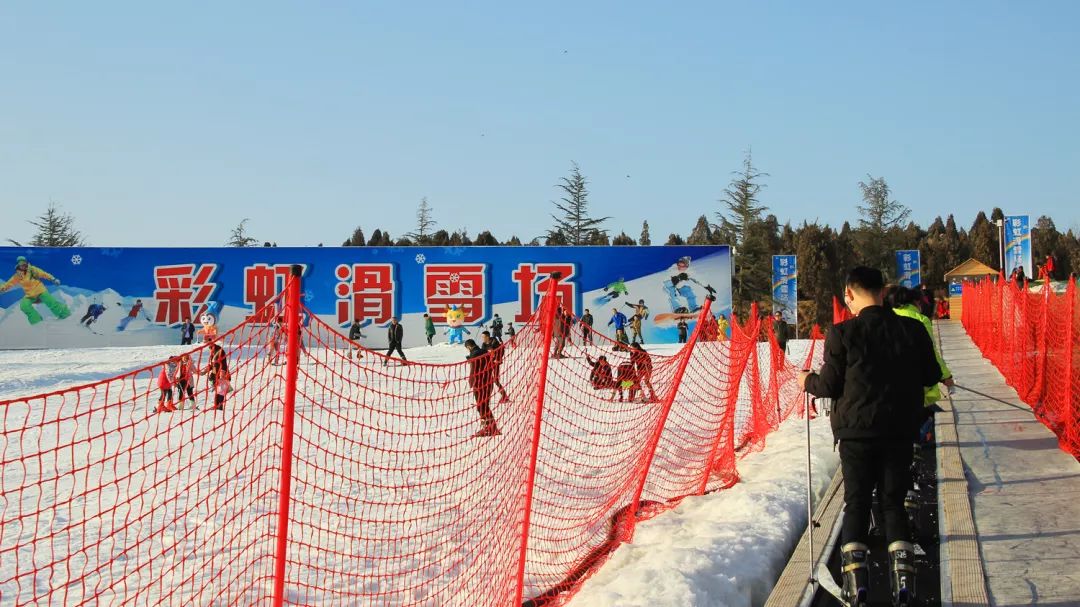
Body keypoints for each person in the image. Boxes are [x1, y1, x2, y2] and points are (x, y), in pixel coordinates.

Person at [799, 267, 941, 606]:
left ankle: (856, 583)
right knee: (894, 502)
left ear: (849, 294)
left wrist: (807, 379)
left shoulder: (843, 333)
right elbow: (930, 375)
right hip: (900, 430)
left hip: (856, 433)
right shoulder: (911, 328)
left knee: (857, 503)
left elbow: (828, 386)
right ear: (883, 290)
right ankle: (903, 580)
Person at [891, 286, 955, 442]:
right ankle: (918, 442)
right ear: (915, 302)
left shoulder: (888, 317)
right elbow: (931, 352)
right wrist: (945, 375)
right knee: (920, 414)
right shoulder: (920, 320)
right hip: (916, 380)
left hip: (891, 378)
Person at [0, 256, 70, 325]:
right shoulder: (18, 276)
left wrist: (53, 279)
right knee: (24, 306)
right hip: (30, 295)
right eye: (21, 264)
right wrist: (2, 288)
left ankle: (64, 315)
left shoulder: (32, 270)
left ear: (26, 263)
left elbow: (44, 274)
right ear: (18, 265)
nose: (23, 266)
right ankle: (37, 322)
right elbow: (9, 283)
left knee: (51, 302)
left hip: (40, 291)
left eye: (24, 264)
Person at [465, 339, 500, 436]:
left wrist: (471, 380)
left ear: (468, 347)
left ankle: (488, 428)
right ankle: (492, 428)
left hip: (480, 383)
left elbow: (473, 368)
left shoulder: (473, 354)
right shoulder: (485, 352)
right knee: (484, 406)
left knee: (481, 407)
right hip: (489, 382)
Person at [481, 331, 510, 402]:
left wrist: (498, 359)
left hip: (495, 363)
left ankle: (504, 396)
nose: (482, 338)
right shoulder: (484, 344)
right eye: (482, 337)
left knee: (495, 380)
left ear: (487, 337)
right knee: (485, 380)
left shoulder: (495, 343)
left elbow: (502, 350)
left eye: (483, 337)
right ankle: (484, 398)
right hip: (488, 363)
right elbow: (482, 353)